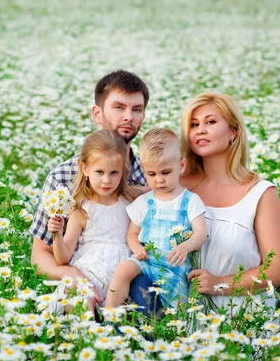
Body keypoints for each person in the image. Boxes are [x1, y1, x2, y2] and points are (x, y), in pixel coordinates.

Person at [29, 70, 161, 313]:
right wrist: (73, 277)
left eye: (136, 109)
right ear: (97, 113)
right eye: (119, 107)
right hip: (87, 282)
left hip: (137, 283)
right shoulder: (64, 176)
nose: (128, 117)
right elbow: (40, 255)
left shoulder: (151, 174)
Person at [177, 92, 280, 314]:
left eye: (210, 122)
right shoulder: (175, 186)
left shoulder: (260, 192)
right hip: (181, 321)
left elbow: (278, 271)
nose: (200, 129)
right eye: (193, 124)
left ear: (233, 131)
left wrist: (219, 284)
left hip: (242, 318)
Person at [105, 129, 207, 310]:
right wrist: (136, 248)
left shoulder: (190, 200)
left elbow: (201, 232)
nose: (159, 180)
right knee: (124, 269)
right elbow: (132, 233)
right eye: (151, 174)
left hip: (175, 268)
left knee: (176, 311)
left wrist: (186, 246)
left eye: (166, 172)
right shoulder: (144, 202)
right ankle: (110, 316)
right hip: (147, 262)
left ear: (181, 166)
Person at [47, 130, 138, 309]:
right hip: (88, 277)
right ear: (85, 169)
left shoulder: (130, 204)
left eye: (114, 173)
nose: (106, 180)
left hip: (118, 283)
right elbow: (63, 257)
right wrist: (57, 233)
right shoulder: (82, 209)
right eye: (99, 172)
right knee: (82, 305)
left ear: (122, 172)